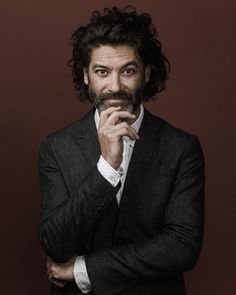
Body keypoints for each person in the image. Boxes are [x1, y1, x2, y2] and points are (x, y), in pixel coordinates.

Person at [39, 6, 205, 295]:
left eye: (128, 71)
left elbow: (182, 246)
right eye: (102, 72)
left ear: (147, 73)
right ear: (86, 75)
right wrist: (107, 167)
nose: (115, 86)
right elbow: (55, 243)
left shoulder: (182, 147)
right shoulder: (56, 147)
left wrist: (83, 269)